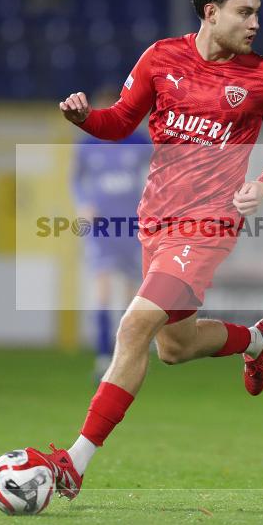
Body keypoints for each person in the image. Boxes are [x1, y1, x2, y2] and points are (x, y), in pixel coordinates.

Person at [15, 0, 263, 505]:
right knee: (172, 347)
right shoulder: (160, 59)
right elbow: (120, 121)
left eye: (258, 14)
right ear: (211, 10)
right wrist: (84, 120)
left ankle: (74, 463)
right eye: (245, 12)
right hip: (157, 220)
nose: (255, 24)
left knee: (134, 327)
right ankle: (256, 339)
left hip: (209, 224)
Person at [72, 87, 151, 382]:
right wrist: (82, 204)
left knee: (132, 296)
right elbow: (76, 180)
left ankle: (127, 356)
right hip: (102, 226)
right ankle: (103, 356)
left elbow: (160, 171)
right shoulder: (87, 144)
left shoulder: (139, 141)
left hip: (132, 224)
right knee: (103, 290)